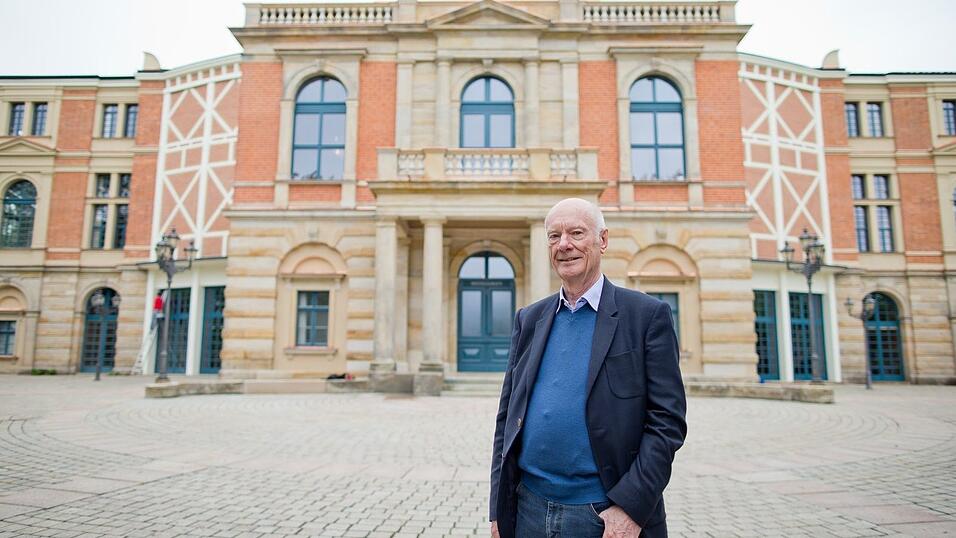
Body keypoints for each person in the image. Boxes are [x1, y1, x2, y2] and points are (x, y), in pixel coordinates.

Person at [489, 198, 687, 538]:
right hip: (529, 511)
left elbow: (666, 423)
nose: (564, 245)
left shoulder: (645, 316)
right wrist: (499, 511)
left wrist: (630, 508)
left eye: (576, 233)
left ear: (603, 240)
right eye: (554, 236)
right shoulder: (529, 318)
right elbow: (507, 420)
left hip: (602, 514)